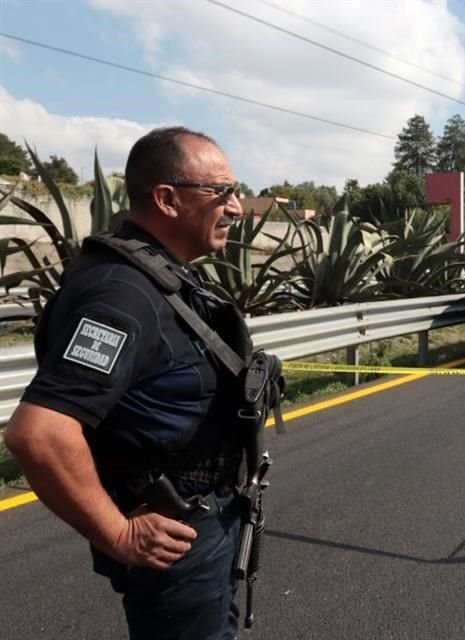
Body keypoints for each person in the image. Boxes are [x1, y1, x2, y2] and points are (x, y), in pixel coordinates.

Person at [3, 127, 278, 640]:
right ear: (167, 199)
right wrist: (121, 535)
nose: (237, 208)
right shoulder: (120, 296)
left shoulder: (162, 275)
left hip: (210, 528)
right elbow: (37, 433)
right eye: (222, 192)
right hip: (177, 540)